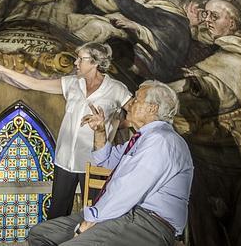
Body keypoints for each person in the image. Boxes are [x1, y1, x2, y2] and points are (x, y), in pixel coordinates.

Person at [27, 80, 193, 246]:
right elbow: (106, 162)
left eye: (136, 100)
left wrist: (90, 221)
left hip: (149, 222)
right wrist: (100, 131)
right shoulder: (142, 140)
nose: (130, 104)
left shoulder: (162, 141)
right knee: (40, 234)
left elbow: (127, 189)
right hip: (123, 213)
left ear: (152, 108)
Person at [0, 42, 131, 219]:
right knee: (57, 214)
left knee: (96, 214)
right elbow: (35, 83)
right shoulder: (71, 83)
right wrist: (3, 69)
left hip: (95, 163)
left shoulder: (116, 89)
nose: (76, 63)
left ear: (94, 63)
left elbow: (136, 115)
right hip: (65, 160)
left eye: (81, 59)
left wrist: (112, 125)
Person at [69, 0, 192, 82]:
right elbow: (107, 3)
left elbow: (169, 43)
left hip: (151, 61)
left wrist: (136, 27)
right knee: (87, 21)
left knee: (99, 27)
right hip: (131, 43)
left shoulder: (173, 15)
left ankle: (71, 62)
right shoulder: (141, 3)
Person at [168, 0, 241, 115]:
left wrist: (200, 84)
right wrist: (190, 25)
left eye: (215, 16)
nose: (208, 20)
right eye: (206, 14)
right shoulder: (208, 39)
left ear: (231, 23)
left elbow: (228, 100)